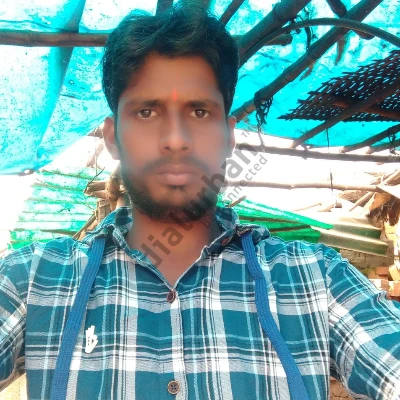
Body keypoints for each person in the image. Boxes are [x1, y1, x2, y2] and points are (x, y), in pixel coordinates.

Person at [1, 5, 400, 400]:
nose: (176, 139)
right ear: (112, 138)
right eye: (146, 111)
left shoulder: (316, 279)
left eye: (198, 111)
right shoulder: (33, 278)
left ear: (229, 137)